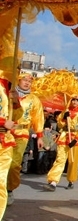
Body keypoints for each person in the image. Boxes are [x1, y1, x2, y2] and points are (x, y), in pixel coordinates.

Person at [7, 73, 44, 206]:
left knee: (14, 163)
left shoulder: (34, 99)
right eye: (24, 80)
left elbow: (38, 118)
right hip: (5, 130)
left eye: (30, 81)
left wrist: (40, 136)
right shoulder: (8, 93)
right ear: (18, 80)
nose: (27, 83)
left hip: (22, 132)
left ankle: (9, 189)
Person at [44, 94, 78, 191]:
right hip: (64, 136)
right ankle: (53, 182)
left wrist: (76, 139)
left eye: (77, 100)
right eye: (73, 100)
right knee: (60, 159)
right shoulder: (66, 111)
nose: (75, 102)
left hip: (76, 139)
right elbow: (59, 124)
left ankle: (71, 180)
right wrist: (64, 117)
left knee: (73, 161)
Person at [0, 61, 17, 218]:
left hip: (7, 138)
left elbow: (14, 113)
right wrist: (2, 122)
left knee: (1, 181)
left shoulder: (6, 85)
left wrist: (15, 102)